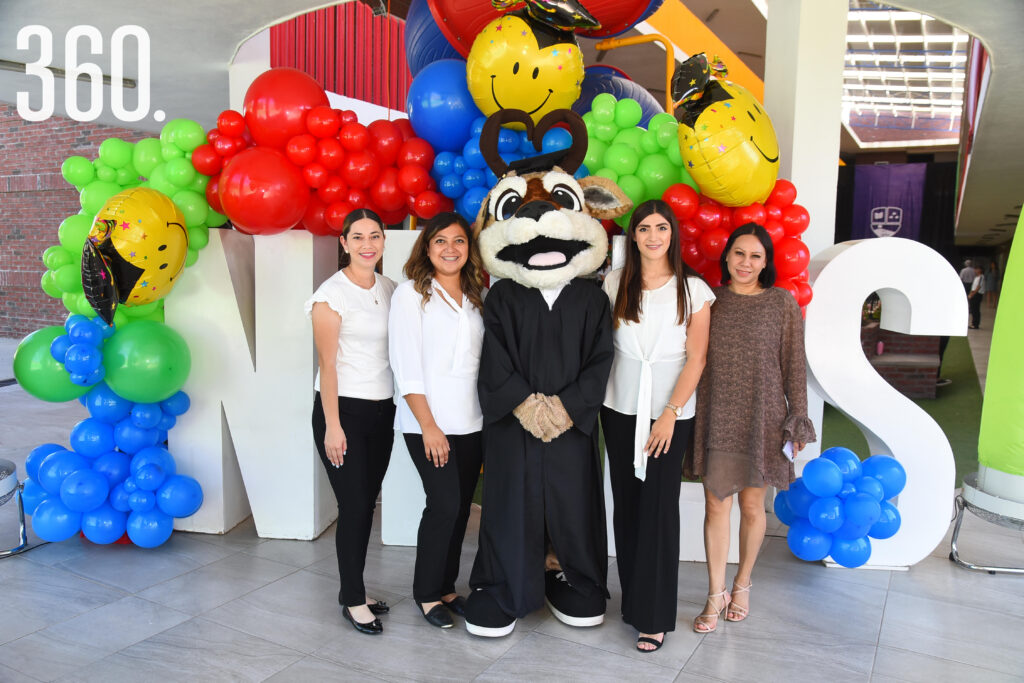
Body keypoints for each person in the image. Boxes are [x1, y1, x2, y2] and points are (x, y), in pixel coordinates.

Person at [689, 223, 816, 633]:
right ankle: (715, 592)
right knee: (716, 505)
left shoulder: (781, 304)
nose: (746, 262)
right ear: (726, 256)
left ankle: (742, 583)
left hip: (763, 417)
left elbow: (794, 364)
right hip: (717, 414)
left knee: (750, 506)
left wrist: (797, 417)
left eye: (755, 256)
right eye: (739, 253)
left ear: (767, 262)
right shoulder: (709, 300)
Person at [600, 200, 714, 652]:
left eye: (660, 228)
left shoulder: (695, 290)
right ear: (634, 237)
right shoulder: (615, 283)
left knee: (659, 511)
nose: (652, 236)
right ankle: (633, 603)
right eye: (643, 229)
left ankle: (655, 615)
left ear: (672, 234)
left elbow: (697, 357)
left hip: (669, 413)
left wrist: (669, 413)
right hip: (619, 408)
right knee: (626, 507)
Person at [388, 212, 487, 629]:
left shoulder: (477, 294)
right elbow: (406, 365)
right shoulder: (411, 294)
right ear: (426, 248)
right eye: (441, 241)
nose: (451, 249)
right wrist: (430, 426)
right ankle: (427, 593)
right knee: (443, 504)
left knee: (461, 507)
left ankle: (447, 587)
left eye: (459, 241)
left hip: (472, 421)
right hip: (428, 421)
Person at [306, 209, 397, 636]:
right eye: (357, 236)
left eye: (374, 236)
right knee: (355, 506)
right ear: (343, 243)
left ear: (383, 241)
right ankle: (352, 599)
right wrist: (333, 426)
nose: (367, 244)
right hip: (343, 412)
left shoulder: (389, 287)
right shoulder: (330, 295)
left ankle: (357, 587)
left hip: (382, 410)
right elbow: (327, 365)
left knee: (365, 504)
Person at [968, 264, 985, 329]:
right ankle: (973, 323)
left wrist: (972, 294)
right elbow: (974, 286)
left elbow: (978, 286)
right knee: (973, 309)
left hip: (977, 294)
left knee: (976, 309)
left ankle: (975, 324)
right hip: (974, 293)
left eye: (977, 269)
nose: (975, 270)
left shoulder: (981, 277)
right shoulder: (976, 277)